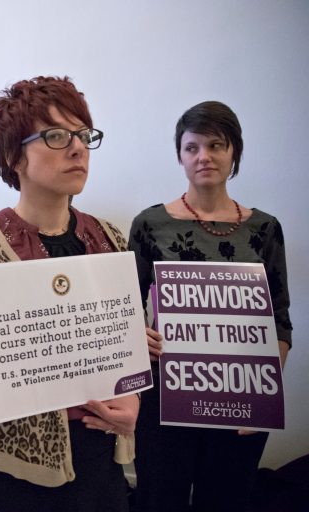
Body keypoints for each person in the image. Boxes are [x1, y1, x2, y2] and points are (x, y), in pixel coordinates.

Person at [0, 76, 140, 511]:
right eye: (57, 136)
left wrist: (132, 399)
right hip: (9, 464)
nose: (78, 148)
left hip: (98, 457)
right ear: (12, 156)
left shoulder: (110, 238)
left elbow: (125, 343)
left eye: (84, 135)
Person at [128, 101, 292, 512]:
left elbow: (280, 320)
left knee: (226, 500)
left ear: (234, 150)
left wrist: (263, 395)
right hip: (165, 399)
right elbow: (125, 311)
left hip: (241, 398)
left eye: (216, 145)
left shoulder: (265, 228)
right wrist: (137, 337)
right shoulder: (149, 224)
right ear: (180, 156)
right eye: (192, 147)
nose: (204, 157)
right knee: (159, 499)